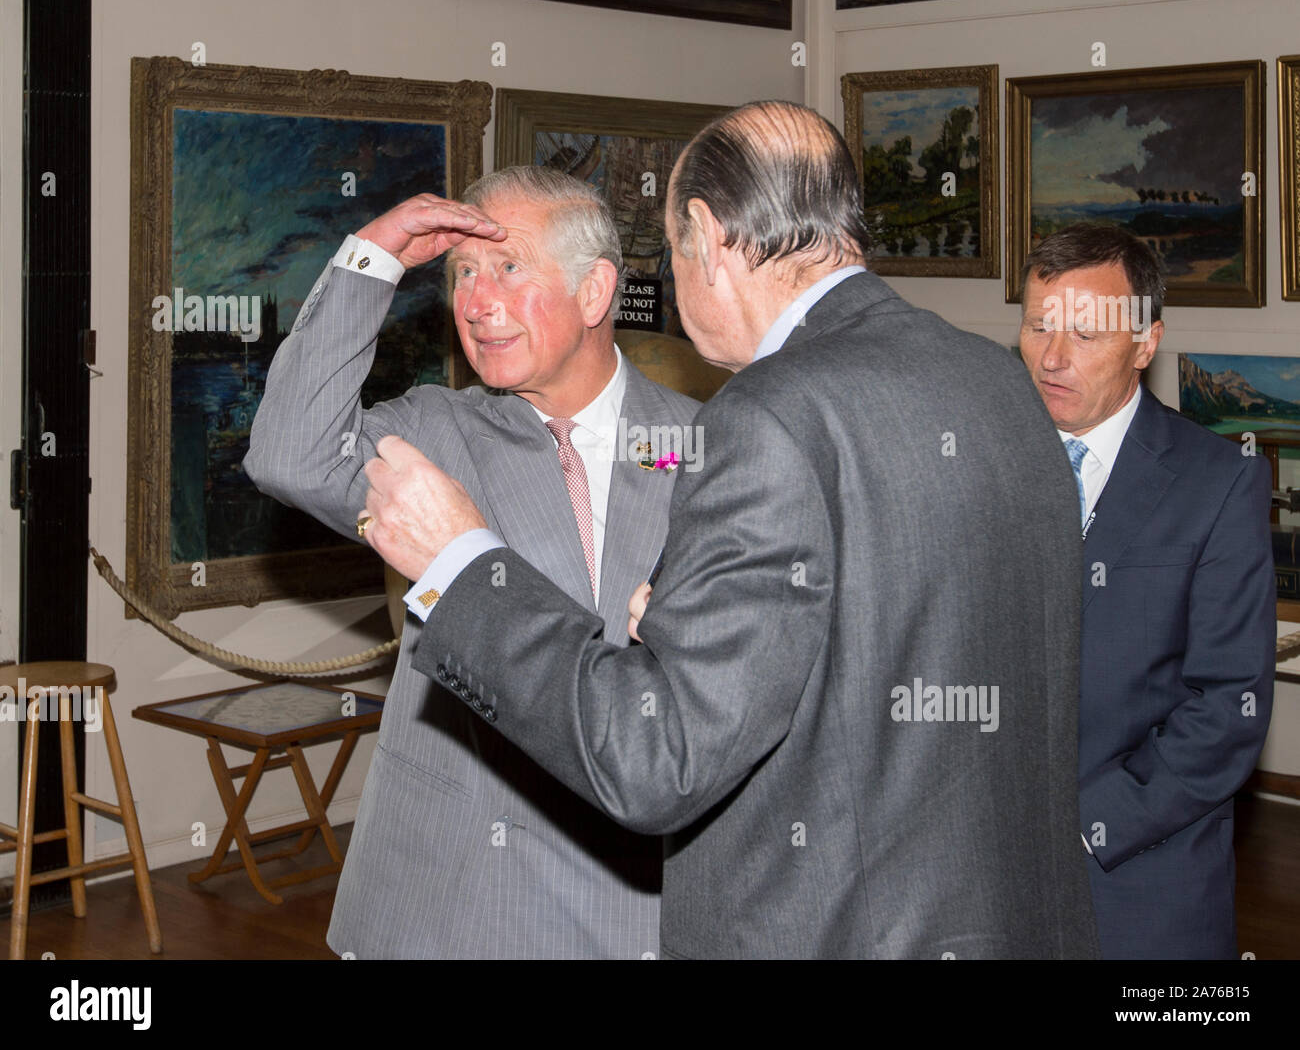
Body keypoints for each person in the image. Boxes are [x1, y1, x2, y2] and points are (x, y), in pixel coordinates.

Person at [354, 101, 1100, 959]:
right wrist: (688, 628)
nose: (672, 281)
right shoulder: (996, 380)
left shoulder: (769, 417)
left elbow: (656, 758)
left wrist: (462, 563)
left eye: (671, 252)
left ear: (706, 236)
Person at [243, 166, 701, 958]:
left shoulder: (699, 442)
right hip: (450, 903)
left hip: (639, 902)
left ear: (595, 294)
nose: (477, 302)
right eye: (462, 274)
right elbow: (289, 454)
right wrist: (373, 255)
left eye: (509, 269)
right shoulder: (435, 432)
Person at [1017, 222, 1275, 959]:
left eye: (1086, 335)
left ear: (1146, 343)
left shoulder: (1218, 484)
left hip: (1139, 887)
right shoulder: (977, 460)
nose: (1053, 358)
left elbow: (1228, 708)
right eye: (1039, 327)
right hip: (982, 888)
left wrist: (1079, 823)